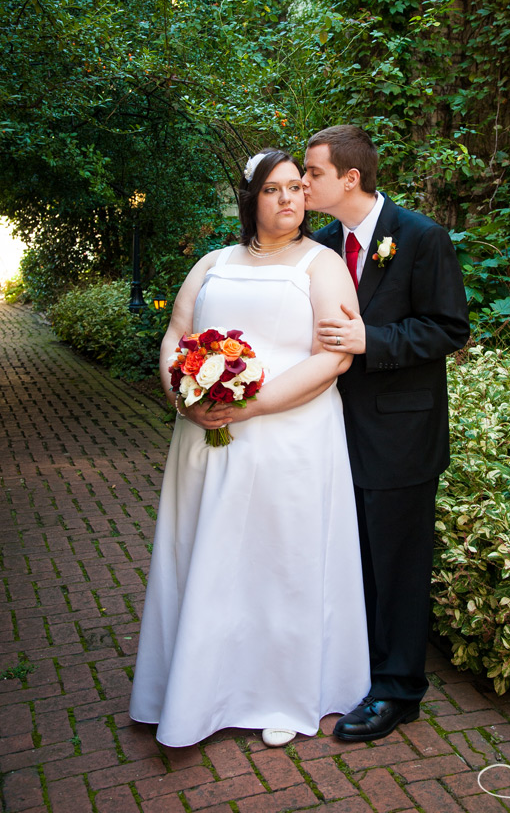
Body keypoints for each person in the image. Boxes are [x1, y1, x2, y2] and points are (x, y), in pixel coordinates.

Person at [129, 149, 370, 748]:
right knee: (206, 557)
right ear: (251, 199)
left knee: (279, 563)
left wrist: (252, 406)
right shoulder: (212, 263)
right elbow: (176, 335)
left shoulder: (323, 264)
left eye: (296, 187)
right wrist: (183, 399)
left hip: (290, 441)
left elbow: (334, 357)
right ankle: (196, 688)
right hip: (206, 440)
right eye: (273, 189)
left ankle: (282, 695)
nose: (288, 198)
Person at [303, 125, 470, 741]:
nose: (303, 182)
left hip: (400, 435)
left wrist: (374, 341)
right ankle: (353, 670)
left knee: (397, 565)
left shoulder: (422, 237)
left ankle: (398, 691)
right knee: (348, 559)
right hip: (326, 431)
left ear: (350, 178)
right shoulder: (319, 246)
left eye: (313, 173)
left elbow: (449, 328)